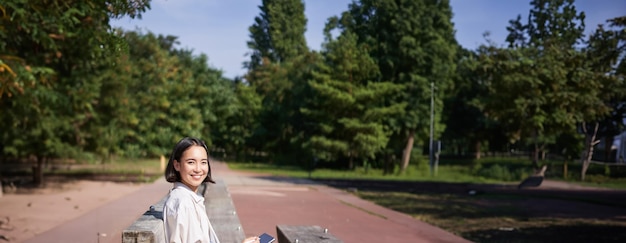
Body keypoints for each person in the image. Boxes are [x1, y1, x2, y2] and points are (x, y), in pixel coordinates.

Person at [163, 137, 259, 243]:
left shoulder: (184, 198)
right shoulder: (185, 203)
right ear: (177, 165)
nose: (198, 169)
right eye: (191, 162)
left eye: (203, 162)